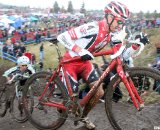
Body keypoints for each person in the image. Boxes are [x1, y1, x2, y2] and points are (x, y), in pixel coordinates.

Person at [57, 1, 130, 129]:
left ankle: (83, 117)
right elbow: (62, 37)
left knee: (99, 92)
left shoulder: (110, 33)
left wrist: (135, 46)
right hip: (71, 63)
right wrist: (80, 50)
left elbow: (121, 49)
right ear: (109, 17)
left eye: (122, 23)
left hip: (84, 63)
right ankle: (64, 104)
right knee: (72, 100)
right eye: (119, 21)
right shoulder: (93, 28)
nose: (120, 25)